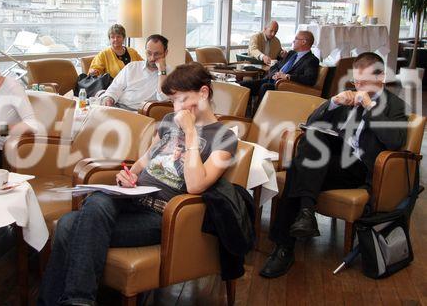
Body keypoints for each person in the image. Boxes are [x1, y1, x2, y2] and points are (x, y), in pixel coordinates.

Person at [38, 62, 238, 306]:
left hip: (164, 216)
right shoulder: (167, 120)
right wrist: (129, 176)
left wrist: (191, 135)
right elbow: (145, 160)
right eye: (173, 101)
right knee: (99, 199)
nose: (177, 108)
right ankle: (77, 301)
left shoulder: (224, 138)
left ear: (204, 93)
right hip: (132, 198)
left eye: (183, 99)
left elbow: (196, 185)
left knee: (69, 225)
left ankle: (70, 301)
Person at [260, 52, 408, 278]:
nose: (360, 87)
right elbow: (311, 122)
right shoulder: (349, 98)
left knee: (296, 171)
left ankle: (283, 248)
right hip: (332, 158)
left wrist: (370, 107)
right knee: (310, 138)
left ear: (381, 78)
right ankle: (306, 214)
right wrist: (333, 102)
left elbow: (395, 141)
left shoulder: (395, 105)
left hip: (359, 165)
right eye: (357, 81)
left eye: (366, 81)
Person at [241, 30, 319, 108]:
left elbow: (310, 79)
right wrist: (275, 74)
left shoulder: (311, 60)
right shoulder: (291, 54)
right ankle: (241, 112)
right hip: (271, 80)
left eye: (296, 39)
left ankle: (257, 116)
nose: (293, 41)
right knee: (243, 85)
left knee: (265, 87)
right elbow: (276, 66)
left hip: (285, 87)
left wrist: (287, 76)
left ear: (303, 42)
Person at [100, 34, 170, 111]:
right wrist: (109, 98)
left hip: (139, 113)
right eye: (149, 53)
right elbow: (115, 87)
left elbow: (163, 99)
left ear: (165, 53)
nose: (152, 58)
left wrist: (162, 71)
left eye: (157, 54)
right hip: (117, 107)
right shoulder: (132, 67)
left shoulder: (171, 74)